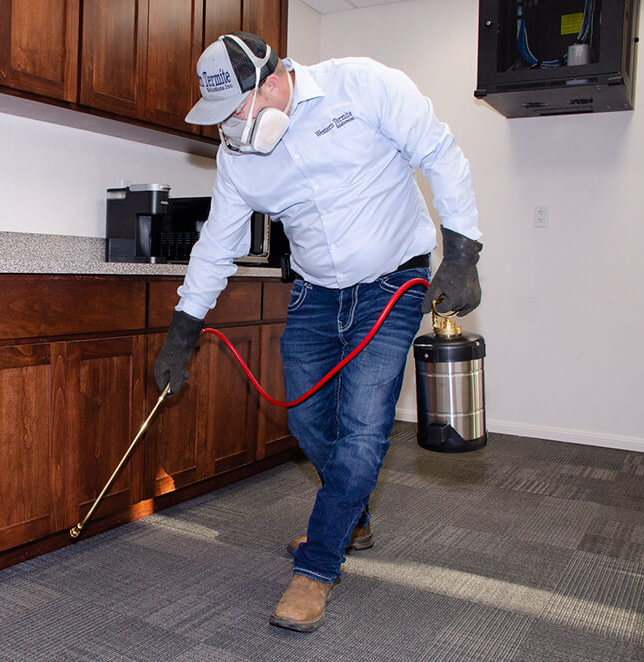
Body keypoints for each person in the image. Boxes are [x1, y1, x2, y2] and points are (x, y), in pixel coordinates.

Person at [153, 32, 483, 632]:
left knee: (363, 427)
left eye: (235, 111)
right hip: (314, 290)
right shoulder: (237, 158)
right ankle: (350, 514)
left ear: (272, 81)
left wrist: (461, 252)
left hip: (393, 282)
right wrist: (182, 328)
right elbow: (217, 245)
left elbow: (440, 152)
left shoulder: (362, 85)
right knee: (306, 419)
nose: (229, 129)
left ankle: (317, 567)